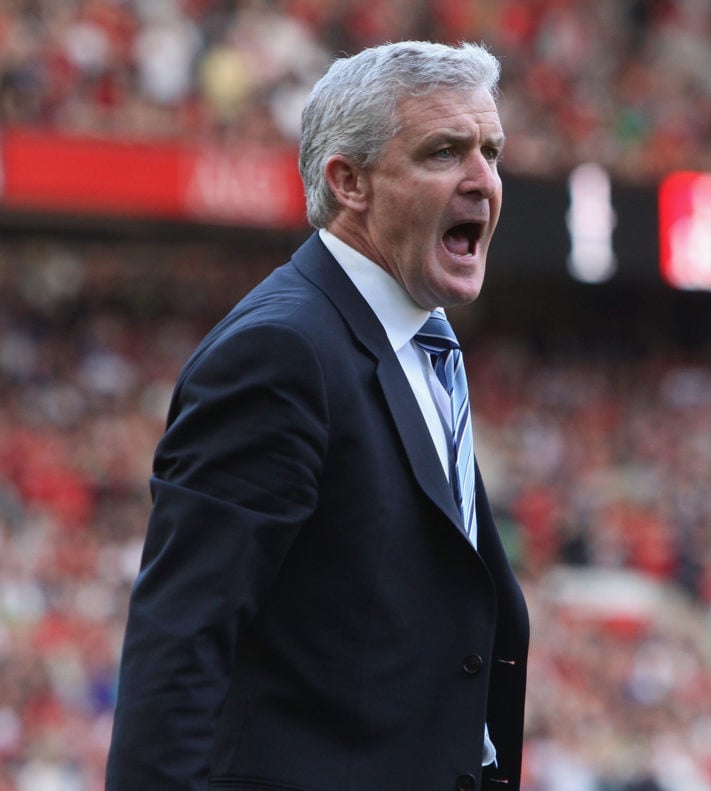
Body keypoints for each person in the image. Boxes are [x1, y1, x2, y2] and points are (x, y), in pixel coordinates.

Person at [105, 41, 529, 791]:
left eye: (491, 152)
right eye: (445, 152)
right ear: (349, 181)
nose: (483, 180)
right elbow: (183, 639)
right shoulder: (281, 352)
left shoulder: (423, 338)